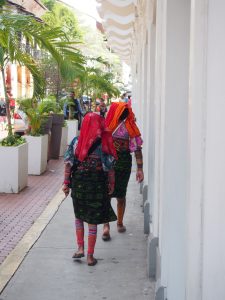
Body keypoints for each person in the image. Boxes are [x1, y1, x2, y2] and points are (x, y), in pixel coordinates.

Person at [62, 112, 117, 266]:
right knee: (92, 220)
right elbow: (110, 167)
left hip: (79, 184)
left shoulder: (76, 142)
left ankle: (80, 247)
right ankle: (90, 256)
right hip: (96, 185)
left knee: (79, 216)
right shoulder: (103, 143)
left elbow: (68, 164)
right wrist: (111, 184)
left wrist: (66, 183)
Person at [102, 102, 144, 241]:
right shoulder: (108, 127)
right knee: (111, 194)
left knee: (117, 194)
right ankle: (108, 225)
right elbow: (137, 149)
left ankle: (116, 223)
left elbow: (137, 148)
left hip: (118, 165)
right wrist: (139, 169)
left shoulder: (127, 127)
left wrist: (140, 169)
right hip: (110, 165)